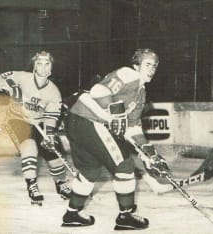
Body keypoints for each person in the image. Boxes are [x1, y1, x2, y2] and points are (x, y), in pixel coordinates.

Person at [61, 48, 168, 230]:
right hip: (90, 121)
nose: (152, 69)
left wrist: (150, 153)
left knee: (89, 170)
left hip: (78, 121)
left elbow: (132, 128)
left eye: (155, 66)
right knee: (124, 167)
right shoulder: (129, 74)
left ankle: (72, 213)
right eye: (147, 64)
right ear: (136, 65)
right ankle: (125, 216)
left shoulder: (140, 94)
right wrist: (116, 113)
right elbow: (98, 90)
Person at [0, 51, 72, 206]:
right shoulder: (22, 77)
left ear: (51, 67)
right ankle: (32, 184)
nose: (43, 68)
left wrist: (49, 135)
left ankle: (61, 183)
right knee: (29, 145)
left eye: (47, 64)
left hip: (38, 122)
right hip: (17, 119)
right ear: (34, 66)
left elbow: (51, 116)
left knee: (54, 150)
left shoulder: (54, 91)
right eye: (39, 63)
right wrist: (8, 86)